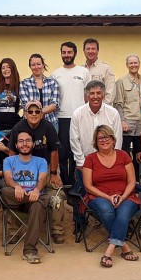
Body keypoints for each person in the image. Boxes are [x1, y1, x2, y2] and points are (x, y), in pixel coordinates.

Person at [83, 125, 140, 267]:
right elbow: (88, 186)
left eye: (107, 137)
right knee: (107, 211)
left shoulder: (124, 155)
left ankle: (109, 251)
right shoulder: (90, 159)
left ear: (113, 139)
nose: (104, 140)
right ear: (96, 142)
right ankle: (125, 247)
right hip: (99, 196)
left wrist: (122, 196)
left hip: (126, 195)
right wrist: (108, 197)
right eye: (100, 138)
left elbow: (132, 181)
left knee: (123, 213)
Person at [8, 100, 64, 244]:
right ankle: (13, 231)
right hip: (22, 173)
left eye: (37, 111)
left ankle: (57, 230)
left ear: (42, 114)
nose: (34, 114)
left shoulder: (48, 127)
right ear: (25, 114)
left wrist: (53, 174)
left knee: (58, 195)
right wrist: (15, 177)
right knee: (12, 193)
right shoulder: (18, 127)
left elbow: (54, 151)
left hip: (44, 173)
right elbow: (12, 152)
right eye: (30, 112)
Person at [2, 130, 50, 264]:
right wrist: (17, 187)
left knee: (37, 205)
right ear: (16, 145)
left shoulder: (41, 161)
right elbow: (8, 179)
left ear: (33, 144)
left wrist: (36, 190)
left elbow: (42, 180)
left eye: (28, 140)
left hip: (34, 200)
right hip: (15, 199)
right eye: (21, 141)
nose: (25, 144)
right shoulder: (9, 160)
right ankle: (39, 198)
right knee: (5, 191)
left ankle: (30, 251)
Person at [51, 41, 90, 185]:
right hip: (61, 118)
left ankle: (76, 185)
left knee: (77, 152)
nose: (66, 55)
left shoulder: (84, 72)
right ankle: (66, 185)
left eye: (69, 52)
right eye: (64, 52)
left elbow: (88, 96)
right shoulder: (55, 74)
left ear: (75, 53)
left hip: (79, 117)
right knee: (62, 153)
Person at [70, 80, 123, 171]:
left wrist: (114, 160)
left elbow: (117, 139)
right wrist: (80, 162)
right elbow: (74, 139)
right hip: (85, 162)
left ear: (103, 95)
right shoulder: (78, 114)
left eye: (98, 93)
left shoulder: (113, 113)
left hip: (109, 162)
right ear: (87, 96)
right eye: (92, 93)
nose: (95, 97)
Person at [114, 55, 141, 178]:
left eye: (136, 63)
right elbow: (118, 103)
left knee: (139, 153)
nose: (133, 65)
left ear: (139, 64)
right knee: (124, 153)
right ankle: (125, 178)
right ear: (127, 65)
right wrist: (122, 121)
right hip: (128, 122)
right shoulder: (121, 82)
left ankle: (137, 179)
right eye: (131, 63)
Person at [19, 53, 59, 131]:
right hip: (29, 124)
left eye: (38, 64)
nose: (36, 67)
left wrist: (39, 112)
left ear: (43, 65)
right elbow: (25, 105)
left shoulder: (53, 83)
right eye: (33, 65)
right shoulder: (24, 83)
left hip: (51, 122)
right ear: (30, 67)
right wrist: (38, 113)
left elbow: (54, 104)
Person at [0, 58, 21, 134]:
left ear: (13, 68)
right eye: (3, 68)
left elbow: (23, 104)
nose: (5, 70)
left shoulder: (19, 86)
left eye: (8, 67)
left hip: (14, 127)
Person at [82, 38, 115, 105]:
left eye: (93, 49)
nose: (90, 51)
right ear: (84, 51)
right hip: (84, 111)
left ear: (98, 51)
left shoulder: (106, 68)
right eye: (88, 49)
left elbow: (110, 94)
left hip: (101, 110)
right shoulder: (80, 69)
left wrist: (101, 109)